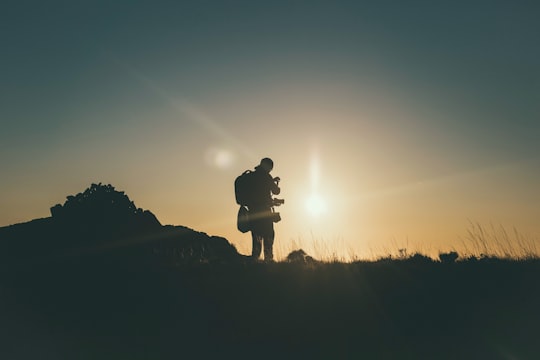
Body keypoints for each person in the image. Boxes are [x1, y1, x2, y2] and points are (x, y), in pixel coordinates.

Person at [246, 157, 281, 261]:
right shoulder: (266, 177)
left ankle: (255, 260)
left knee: (256, 238)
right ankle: (268, 261)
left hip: (252, 212)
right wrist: (275, 183)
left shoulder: (251, 176)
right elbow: (276, 191)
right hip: (264, 213)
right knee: (268, 236)